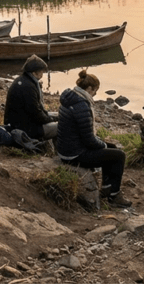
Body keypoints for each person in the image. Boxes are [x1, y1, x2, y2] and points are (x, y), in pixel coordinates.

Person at [55, 70, 132, 207]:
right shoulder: (82, 105)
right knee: (119, 155)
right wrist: (102, 145)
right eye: (95, 91)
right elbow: (89, 140)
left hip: (66, 148)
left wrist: (103, 145)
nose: (95, 94)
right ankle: (114, 196)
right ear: (89, 89)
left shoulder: (71, 97)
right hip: (74, 154)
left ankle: (107, 188)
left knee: (112, 148)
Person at [4, 55, 57, 140]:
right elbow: (36, 114)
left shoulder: (23, 80)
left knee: (59, 115)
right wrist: (51, 119)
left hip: (20, 122)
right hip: (25, 129)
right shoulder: (28, 87)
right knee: (62, 125)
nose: (43, 73)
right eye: (41, 71)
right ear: (34, 72)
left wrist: (52, 117)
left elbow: (37, 110)